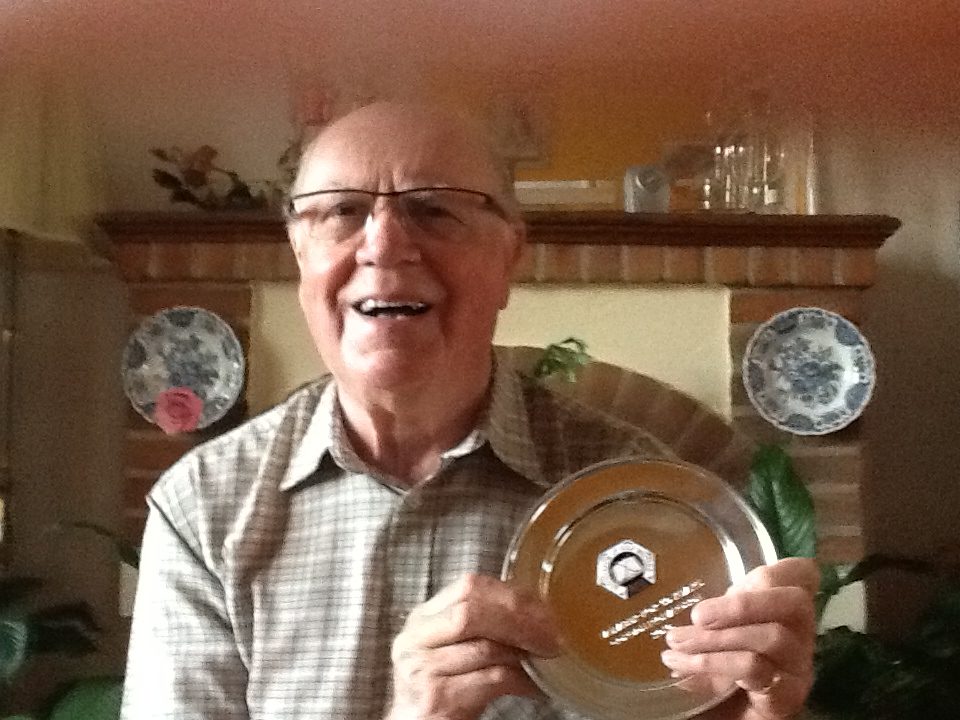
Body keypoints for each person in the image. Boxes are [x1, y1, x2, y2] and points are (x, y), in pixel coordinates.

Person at [121, 101, 818, 720]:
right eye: (342, 211)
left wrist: (758, 710)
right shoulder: (204, 510)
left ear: (509, 255)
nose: (385, 243)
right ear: (300, 250)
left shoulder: (637, 494)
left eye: (434, 208)